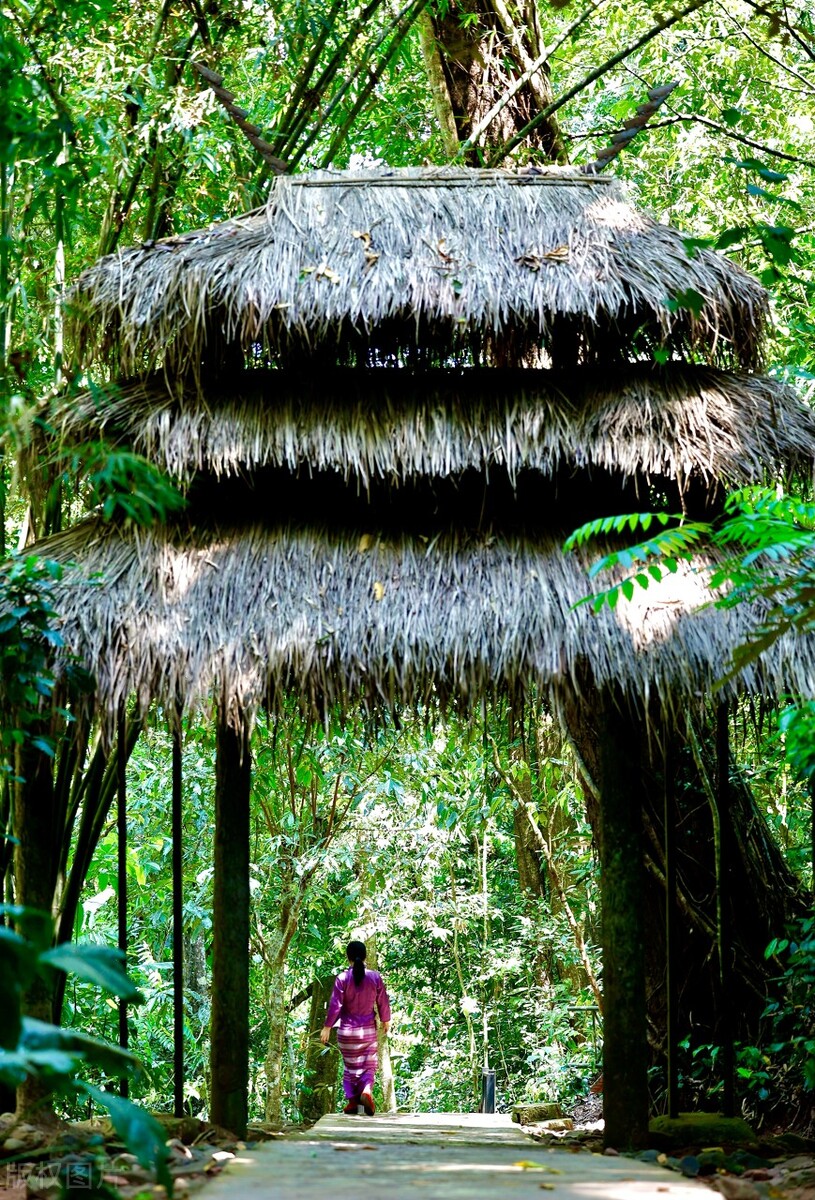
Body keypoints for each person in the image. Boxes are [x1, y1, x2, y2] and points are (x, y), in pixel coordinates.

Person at [320, 940, 391, 1116]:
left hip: (347, 1032)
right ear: (365, 956)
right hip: (367, 1032)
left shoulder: (342, 978)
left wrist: (327, 1027)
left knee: (350, 1068)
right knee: (368, 1066)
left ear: (348, 957)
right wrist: (386, 1020)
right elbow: (382, 1001)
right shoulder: (375, 977)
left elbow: (335, 1006)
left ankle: (353, 1101)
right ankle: (366, 1090)